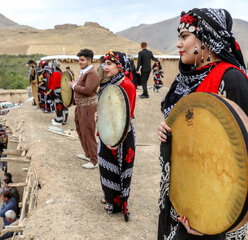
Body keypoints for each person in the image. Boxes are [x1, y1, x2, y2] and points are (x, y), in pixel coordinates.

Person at [157, 8, 248, 240]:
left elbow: (242, 156)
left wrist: (213, 220)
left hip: (216, 211)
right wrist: (166, 132)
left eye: (185, 36)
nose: (178, 44)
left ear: (207, 38)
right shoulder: (183, 81)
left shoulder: (232, 79)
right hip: (184, 196)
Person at [98, 51, 136, 222]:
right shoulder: (111, 83)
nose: (106, 67)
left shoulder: (127, 85)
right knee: (105, 165)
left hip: (121, 133)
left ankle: (116, 204)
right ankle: (108, 196)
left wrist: (118, 139)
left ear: (119, 65)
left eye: (110, 64)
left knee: (117, 168)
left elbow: (128, 115)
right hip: (108, 129)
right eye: (105, 64)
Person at [68, 49, 100, 169]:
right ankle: (88, 154)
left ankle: (94, 160)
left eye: (82, 60)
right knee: (80, 130)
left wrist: (73, 86)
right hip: (80, 106)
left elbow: (87, 90)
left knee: (88, 132)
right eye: (79, 60)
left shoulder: (92, 73)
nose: (80, 62)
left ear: (89, 60)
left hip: (88, 108)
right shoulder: (84, 72)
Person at [47, 60, 69, 126]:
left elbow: (53, 83)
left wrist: (49, 91)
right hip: (62, 91)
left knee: (58, 105)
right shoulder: (60, 72)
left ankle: (59, 119)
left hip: (57, 91)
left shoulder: (55, 73)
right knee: (63, 105)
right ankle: (64, 119)